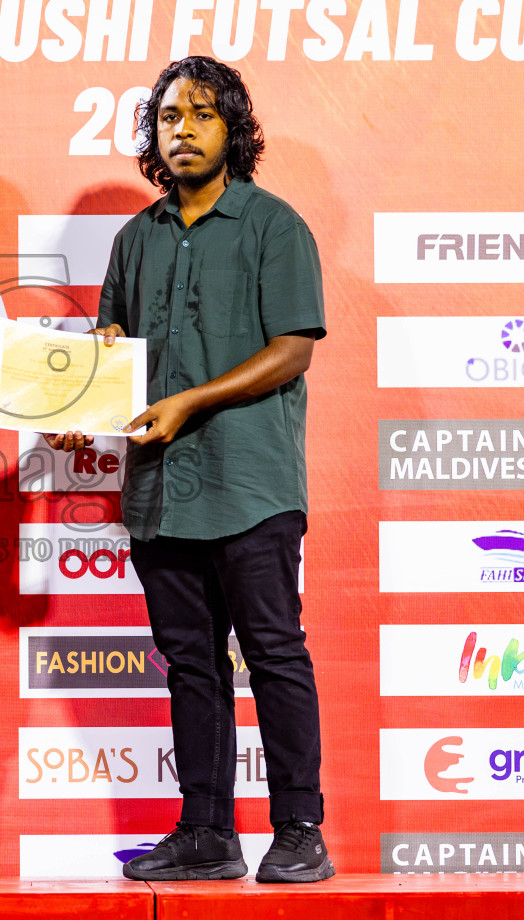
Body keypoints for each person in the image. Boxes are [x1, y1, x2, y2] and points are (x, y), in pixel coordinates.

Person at [50, 56, 332, 883]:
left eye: (202, 115)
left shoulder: (273, 224)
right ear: (153, 135)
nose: (183, 131)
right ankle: (206, 831)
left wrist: (189, 402)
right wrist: (81, 417)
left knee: (275, 652)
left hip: (251, 482)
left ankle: (299, 827)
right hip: (161, 491)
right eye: (169, 118)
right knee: (192, 666)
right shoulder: (134, 237)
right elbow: (111, 355)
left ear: (232, 129)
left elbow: (292, 350)